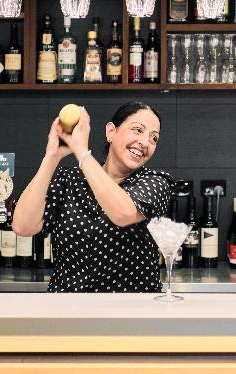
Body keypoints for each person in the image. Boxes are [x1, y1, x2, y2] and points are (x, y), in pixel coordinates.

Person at [13, 101, 173, 292]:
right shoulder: (68, 180)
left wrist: (81, 151)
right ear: (111, 132)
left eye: (154, 138)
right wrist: (51, 157)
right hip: (67, 306)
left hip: (128, 307)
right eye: (137, 130)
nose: (145, 142)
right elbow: (23, 226)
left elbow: (123, 213)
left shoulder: (156, 183)